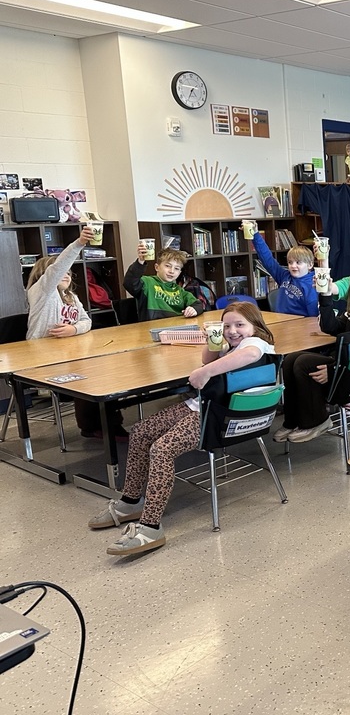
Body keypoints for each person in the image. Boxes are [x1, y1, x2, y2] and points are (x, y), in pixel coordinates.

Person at [86, 303, 276, 556]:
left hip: (222, 416)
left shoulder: (257, 345)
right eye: (226, 325)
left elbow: (249, 355)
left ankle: (151, 526)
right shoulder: (230, 347)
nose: (232, 331)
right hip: (203, 407)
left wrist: (206, 371)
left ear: (255, 326)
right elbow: (207, 359)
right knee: (141, 431)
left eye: (240, 325)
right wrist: (213, 341)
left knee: (161, 450)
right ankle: (131, 501)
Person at [26, 226, 128, 440]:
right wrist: (79, 243)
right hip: (42, 359)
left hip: (69, 355)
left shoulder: (71, 296)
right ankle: (99, 425)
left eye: (69, 273)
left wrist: (73, 329)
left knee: (105, 368)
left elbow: (86, 321)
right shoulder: (41, 293)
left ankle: (103, 424)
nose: (66, 274)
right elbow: (56, 270)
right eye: (61, 271)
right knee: (90, 375)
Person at [275, 268, 350, 444]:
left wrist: (334, 369)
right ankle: (292, 420)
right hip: (342, 368)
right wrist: (326, 296)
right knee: (290, 360)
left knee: (304, 363)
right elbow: (329, 327)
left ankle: (318, 420)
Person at [245, 221, 316, 316]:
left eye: (298, 262)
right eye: (290, 262)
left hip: (300, 324)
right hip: (281, 320)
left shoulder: (313, 285)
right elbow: (267, 259)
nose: (293, 266)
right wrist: (256, 234)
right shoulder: (284, 276)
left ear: (310, 265)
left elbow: (314, 316)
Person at [124, 245, 204, 320]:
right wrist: (140, 261)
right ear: (157, 267)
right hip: (152, 329)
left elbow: (198, 304)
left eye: (176, 268)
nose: (171, 271)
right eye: (167, 266)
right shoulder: (147, 283)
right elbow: (129, 283)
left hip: (175, 330)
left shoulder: (179, 290)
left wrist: (194, 309)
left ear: (180, 272)